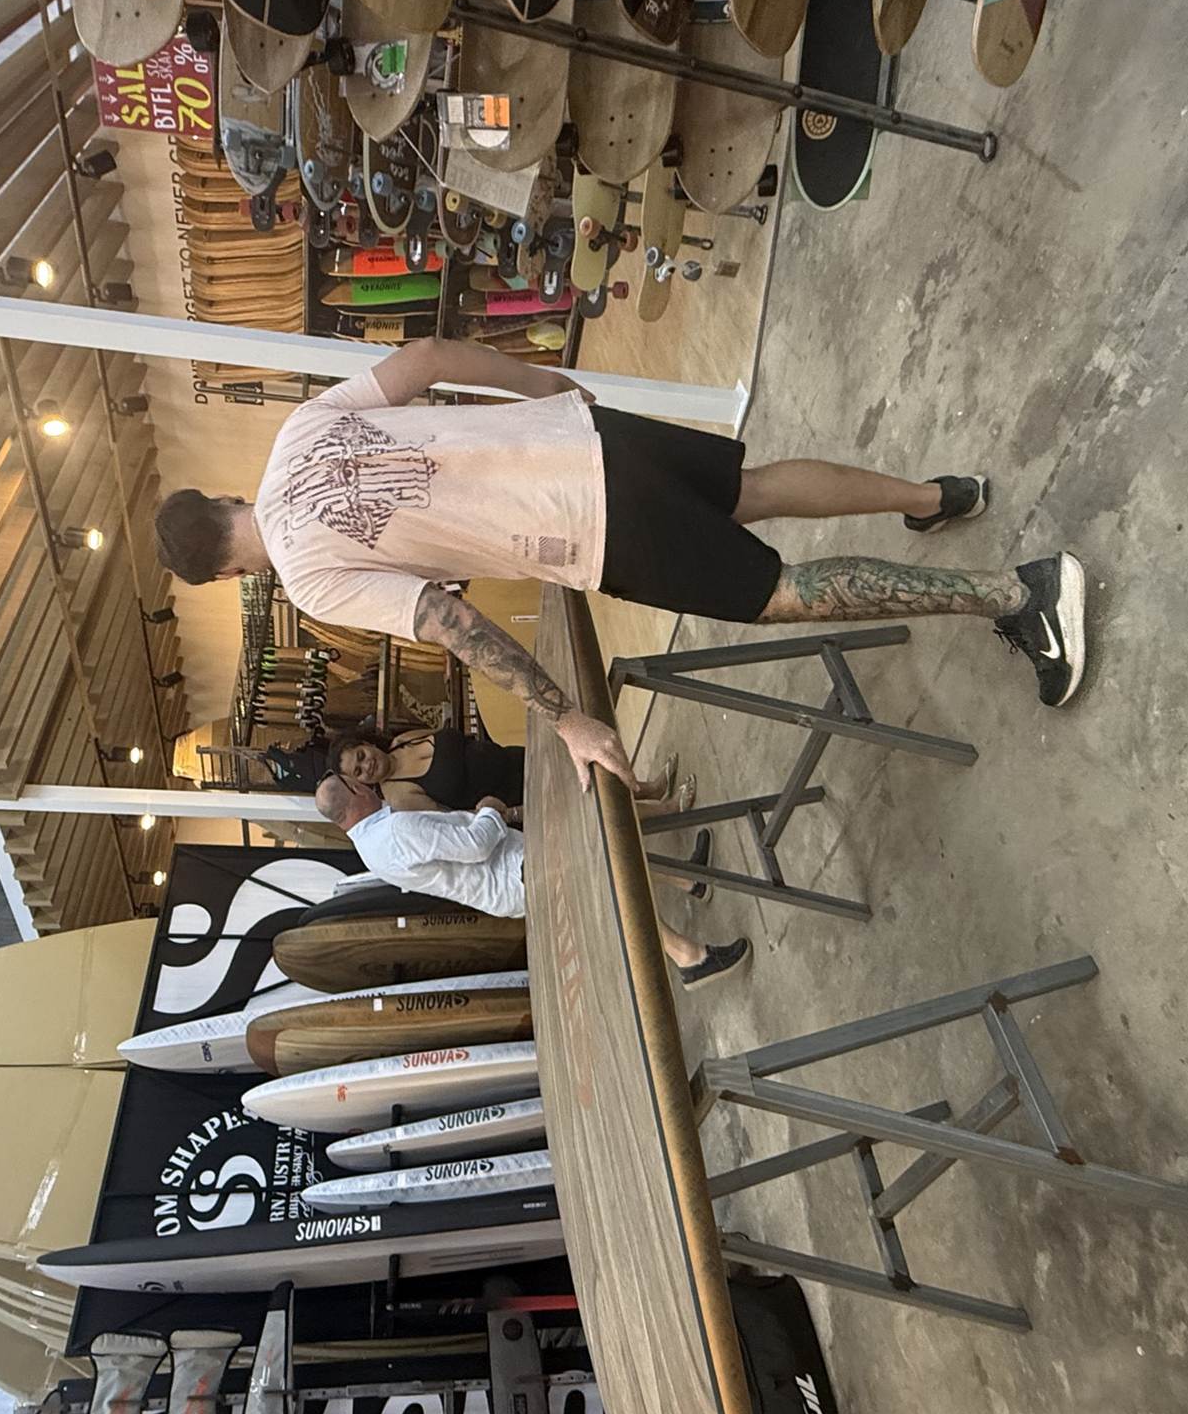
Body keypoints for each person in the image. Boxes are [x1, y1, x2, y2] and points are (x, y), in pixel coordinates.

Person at [154, 337, 1088, 792]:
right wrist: (542, 382)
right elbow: (428, 356)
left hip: (589, 531)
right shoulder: (298, 431)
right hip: (583, 437)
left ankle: (1019, 594)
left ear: (228, 576)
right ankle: (935, 496)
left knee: (778, 594)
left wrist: (567, 719)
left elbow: (452, 624)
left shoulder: (311, 580)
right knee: (752, 488)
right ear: (223, 500)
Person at [314, 774, 748, 989]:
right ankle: (689, 957)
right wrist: (490, 808)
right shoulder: (394, 831)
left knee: (611, 853)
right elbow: (475, 846)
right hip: (516, 870)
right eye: (358, 782)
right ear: (355, 793)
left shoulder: (371, 849)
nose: (367, 783)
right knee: (617, 879)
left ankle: (689, 882)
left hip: (510, 880)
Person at [325, 722, 688, 815]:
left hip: (514, 759)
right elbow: (455, 817)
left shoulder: (403, 739)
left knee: (588, 768)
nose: (367, 765)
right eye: (359, 772)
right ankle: (668, 809)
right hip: (514, 798)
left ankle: (646, 788)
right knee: (590, 802)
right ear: (361, 783)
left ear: (366, 743)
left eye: (361, 756)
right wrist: (511, 814)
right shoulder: (399, 796)